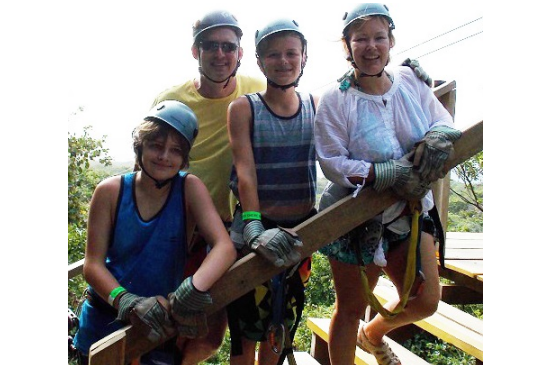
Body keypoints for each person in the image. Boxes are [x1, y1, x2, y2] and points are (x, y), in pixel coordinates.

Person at [314, 4, 462, 365]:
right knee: (350, 307)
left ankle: (374, 333)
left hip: (408, 210)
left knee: (425, 299)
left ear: (391, 41)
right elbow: (332, 160)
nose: (370, 46)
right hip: (357, 216)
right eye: (360, 38)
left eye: (379, 37)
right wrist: (385, 173)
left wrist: (439, 137)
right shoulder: (337, 99)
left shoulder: (410, 82)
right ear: (347, 46)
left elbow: (439, 118)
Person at [72, 100, 237, 365]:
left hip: (158, 328)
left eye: (175, 151)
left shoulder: (188, 189)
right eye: (156, 146)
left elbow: (224, 247)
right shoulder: (110, 192)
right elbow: (93, 265)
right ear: (141, 147)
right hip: (104, 324)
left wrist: (192, 288)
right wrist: (125, 300)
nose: (164, 157)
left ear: (184, 158)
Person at [151, 10, 266, 363]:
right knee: (166, 324)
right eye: (210, 46)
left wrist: (403, 76)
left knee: (210, 336)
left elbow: (304, 109)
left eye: (228, 46)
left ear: (240, 53)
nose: (220, 54)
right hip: (176, 227)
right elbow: (151, 157)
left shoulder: (256, 90)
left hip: (227, 231)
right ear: (195, 51)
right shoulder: (172, 99)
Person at [226, 19, 318, 365]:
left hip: (300, 232)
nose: (283, 61)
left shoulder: (314, 105)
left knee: (280, 327)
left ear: (304, 57)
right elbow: (245, 170)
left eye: (291, 53)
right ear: (260, 61)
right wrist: (252, 225)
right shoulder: (244, 108)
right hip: (255, 227)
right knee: (245, 331)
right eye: (273, 54)